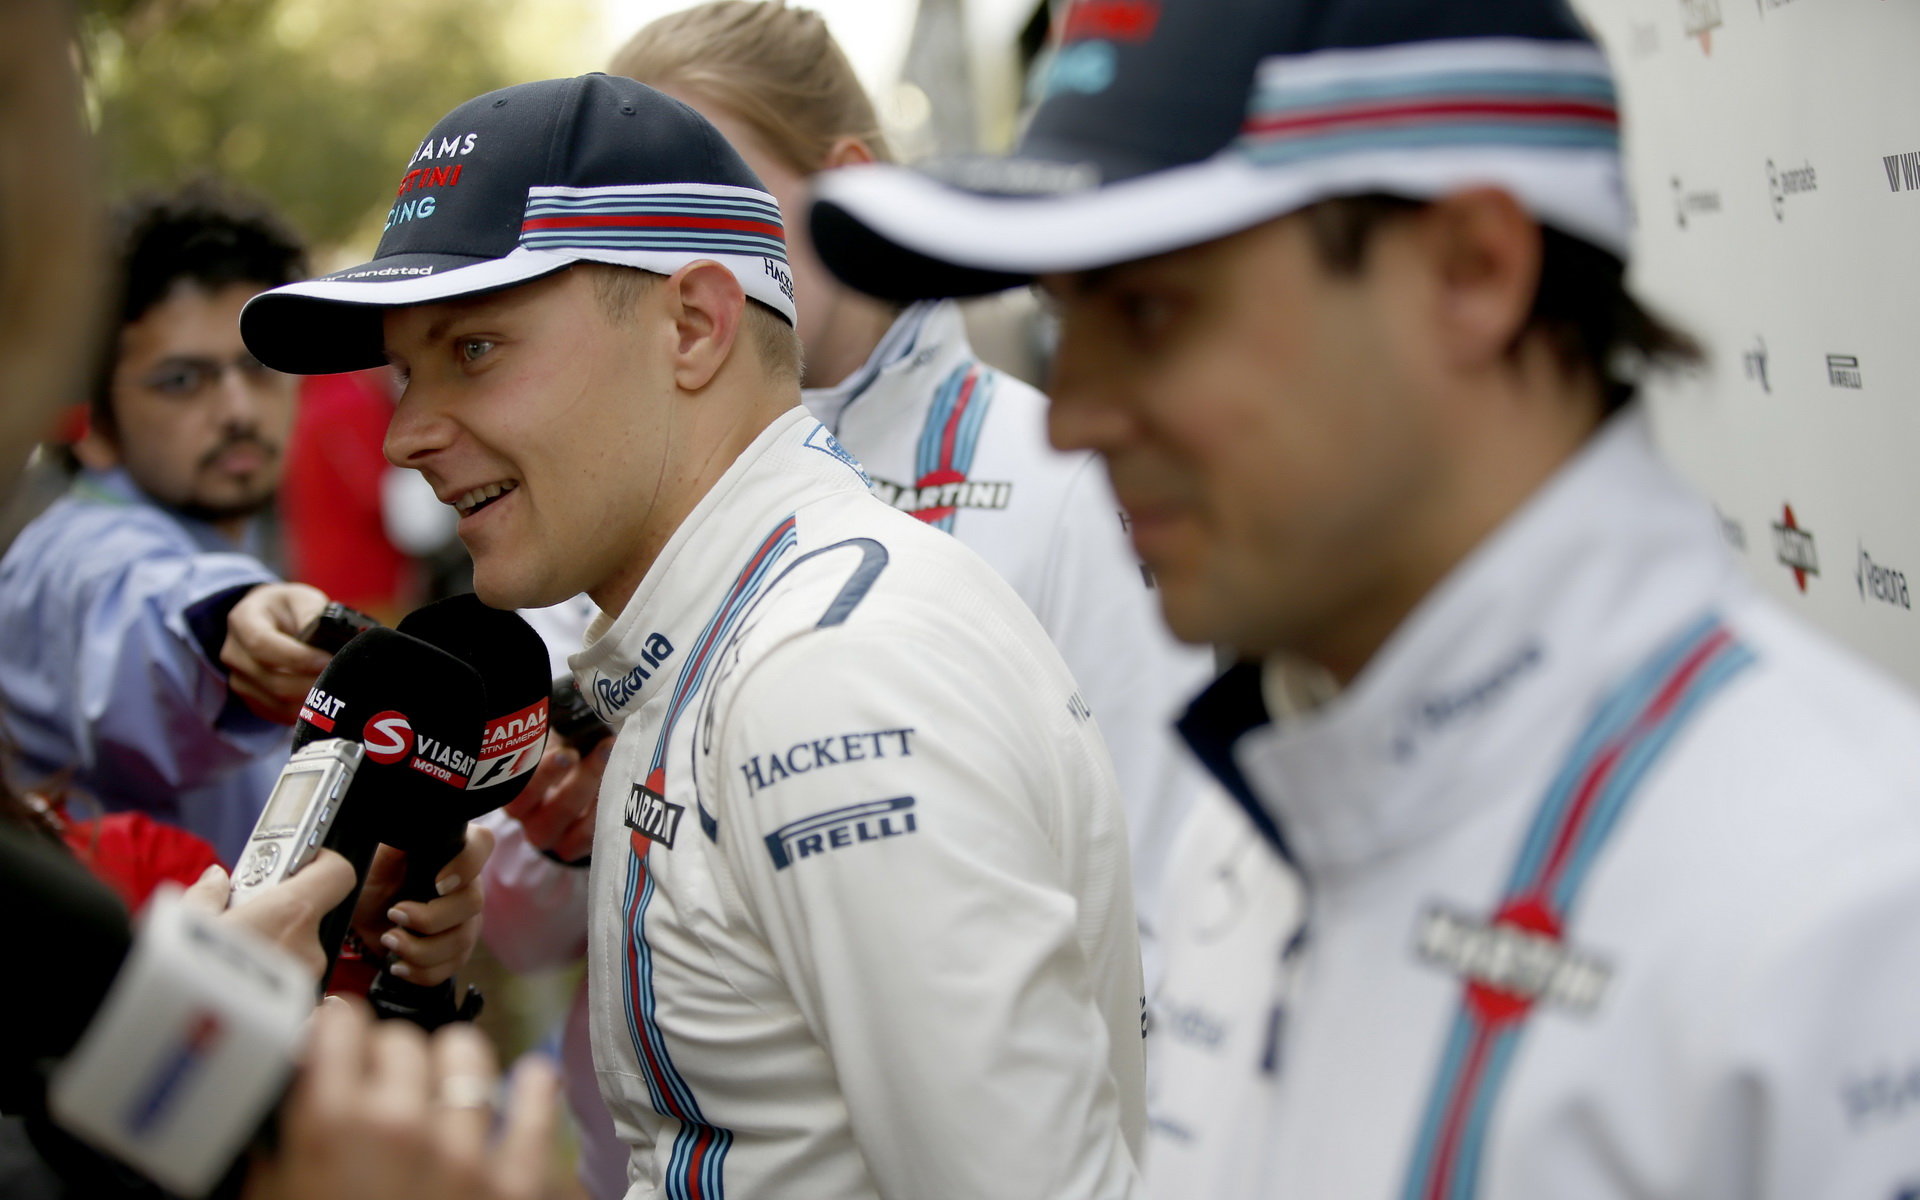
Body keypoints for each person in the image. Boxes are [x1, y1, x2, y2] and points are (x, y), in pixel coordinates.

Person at [806, 0, 1920, 1195]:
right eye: (1066, 318)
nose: (1072, 414)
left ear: (1473, 271)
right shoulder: (1252, 825)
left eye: (1150, 309)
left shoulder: (1855, 915)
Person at [239, 73, 1147, 1200]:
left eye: (473, 348)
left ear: (694, 326)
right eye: (405, 371)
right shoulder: (748, 629)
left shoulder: (826, 675)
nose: (408, 437)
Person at [0, 184, 340, 864]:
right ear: (94, 425)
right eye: (183, 381)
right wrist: (233, 623)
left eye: (260, 367)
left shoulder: (230, 537)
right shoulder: (68, 555)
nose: (239, 408)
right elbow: (142, 610)